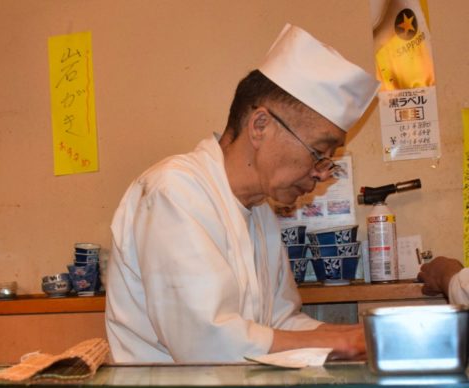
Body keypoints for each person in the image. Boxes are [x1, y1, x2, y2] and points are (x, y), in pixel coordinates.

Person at [105, 23, 380, 363]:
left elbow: (280, 322)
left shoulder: (259, 209)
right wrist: (345, 343)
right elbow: (206, 344)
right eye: (319, 152)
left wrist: (363, 336)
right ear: (260, 125)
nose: (322, 174)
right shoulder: (173, 191)